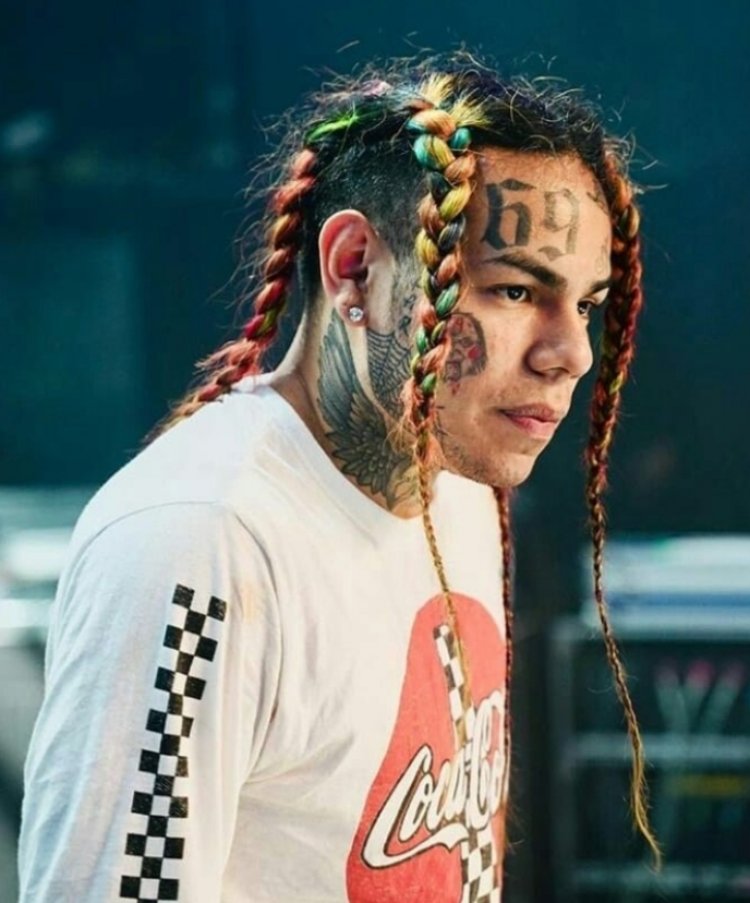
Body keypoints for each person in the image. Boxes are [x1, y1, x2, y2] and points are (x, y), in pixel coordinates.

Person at [18, 56, 659, 902]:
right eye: (512, 290)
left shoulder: (459, 485)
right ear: (355, 267)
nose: (570, 352)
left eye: (585, 304)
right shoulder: (198, 540)